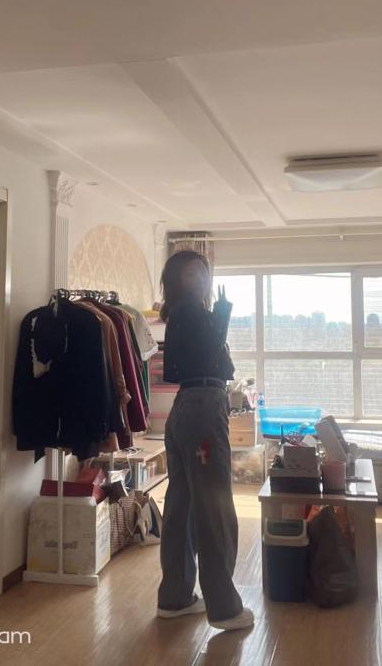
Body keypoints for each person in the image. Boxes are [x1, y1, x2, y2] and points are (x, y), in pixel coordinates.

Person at [156, 250, 254, 631]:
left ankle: (176, 597)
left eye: (203, 273)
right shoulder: (191, 312)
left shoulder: (181, 314)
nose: (200, 279)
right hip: (203, 407)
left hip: (185, 408)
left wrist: (219, 313)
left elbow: (198, 357)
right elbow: (214, 356)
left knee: (180, 505)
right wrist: (221, 313)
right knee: (215, 506)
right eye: (191, 274)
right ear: (176, 280)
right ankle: (224, 608)